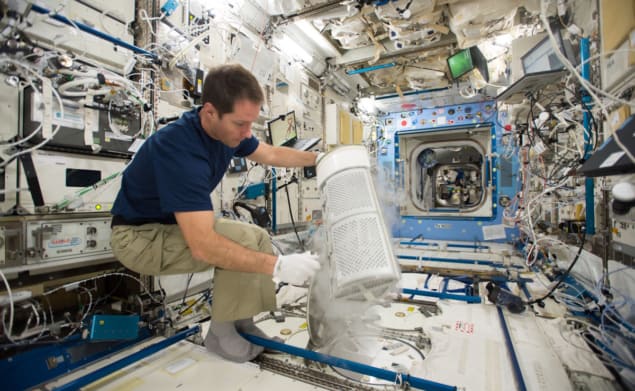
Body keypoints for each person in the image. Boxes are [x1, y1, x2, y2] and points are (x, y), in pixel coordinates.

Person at [110, 64, 321, 363]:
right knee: (239, 242)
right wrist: (279, 266)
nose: (247, 133)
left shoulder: (226, 133)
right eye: (240, 124)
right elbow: (204, 245)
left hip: (166, 230)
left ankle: (243, 324)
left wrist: (321, 159)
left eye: (251, 123)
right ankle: (221, 336)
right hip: (138, 238)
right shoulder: (179, 148)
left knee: (255, 236)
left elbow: (271, 153)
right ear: (210, 112)